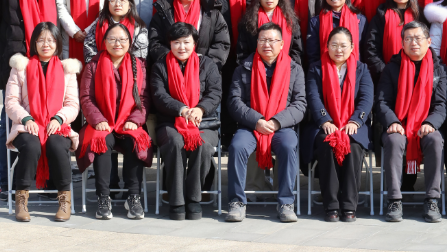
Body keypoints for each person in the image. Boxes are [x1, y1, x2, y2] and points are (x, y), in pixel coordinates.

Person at [224, 23, 308, 223]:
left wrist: (277, 122)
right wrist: (257, 121)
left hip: (282, 127)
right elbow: (234, 102)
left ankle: (286, 203)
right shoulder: (243, 68)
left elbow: (300, 104)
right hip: (251, 126)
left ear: (282, 44)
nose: (266, 44)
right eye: (262, 40)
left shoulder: (294, 69)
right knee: (237, 146)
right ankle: (236, 202)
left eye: (271, 40)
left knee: (288, 146)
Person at [3, 23, 81, 222]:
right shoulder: (20, 68)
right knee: (31, 145)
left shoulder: (67, 70)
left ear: (58, 43)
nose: (46, 44)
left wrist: (58, 118)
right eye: (41, 40)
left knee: (56, 145)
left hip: (58, 126)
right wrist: (26, 118)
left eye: (51, 40)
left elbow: (72, 104)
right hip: (26, 125)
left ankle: (64, 200)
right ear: (34, 43)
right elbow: (11, 102)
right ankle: (21, 199)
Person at [374, 21, 447, 223]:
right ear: (402, 43)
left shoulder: (439, 69)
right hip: (399, 123)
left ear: (429, 41)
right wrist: (393, 122)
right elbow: (382, 101)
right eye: (408, 39)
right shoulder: (392, 68)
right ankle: (394, 200)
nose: (413, 43)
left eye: (418, 38)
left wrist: (431, 123)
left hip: (427, 124)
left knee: (435, 140)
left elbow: (441, 104)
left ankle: (432, 199)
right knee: (394, 140)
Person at [148, 23, 224, 220]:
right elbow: (159, 96)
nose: (181, 47)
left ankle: (193, 198)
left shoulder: (208, 65)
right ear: (170, 44)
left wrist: (200, 109)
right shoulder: (160, 66)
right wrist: (182, 109)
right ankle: (177, 200)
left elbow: (215, 93)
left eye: (186, 42)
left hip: (204, 122)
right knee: (175, 143)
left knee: (203, 146)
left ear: (194, 43)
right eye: (176, 42)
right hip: (170, 122)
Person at [79, 23, 150, 220]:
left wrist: (135, 120)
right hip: (101, 122)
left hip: (128, 122)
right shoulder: (93, 65)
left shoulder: (139, 66)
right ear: (104, 42)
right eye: (112, 39)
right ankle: (103, 197)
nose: (117, 43)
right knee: (102, 141)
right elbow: (86, 98)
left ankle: (133, 197)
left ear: (129, 42)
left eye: (122, 39)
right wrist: (98, 119)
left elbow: (144, 98)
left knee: (135, 141)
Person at [305, 27, 373, 222]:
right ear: (327, 46)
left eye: (343, 45)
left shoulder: (361, 69)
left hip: (353, 125)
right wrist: (324, 119)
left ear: (352, 47)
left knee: (353, 146)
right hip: (324, 125)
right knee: (327, 144)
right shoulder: (316, 68)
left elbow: (366, 98)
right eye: (334, 45)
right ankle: (331, 206)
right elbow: (313, 97)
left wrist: (356, 120)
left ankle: (349, 206)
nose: (339, 50)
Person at [147, 0, 232, 74]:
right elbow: (155, 42)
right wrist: (171, 63)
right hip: (170, 71)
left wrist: (206, 67)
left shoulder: (211, 12)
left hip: (203, 73)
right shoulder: (163, 11)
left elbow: (221, 43)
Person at [362, 0, 422, 74]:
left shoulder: (420, 17)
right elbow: (371, 49)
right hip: (387, 74)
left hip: (416, 74)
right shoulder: (380, 17)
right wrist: (386, 73)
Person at [237, 0, 304, 64]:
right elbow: (242, 50)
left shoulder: (289, 19)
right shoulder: (250, 19)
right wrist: (249, 67)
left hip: (286, 67)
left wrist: (291, 67)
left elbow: (297, 49)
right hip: (255, 67)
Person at [303, 0, 365, 67]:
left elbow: (364, 51)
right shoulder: (316, 22)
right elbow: (313, 54)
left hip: (355, 70)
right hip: (324, 70)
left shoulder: (360, 20)